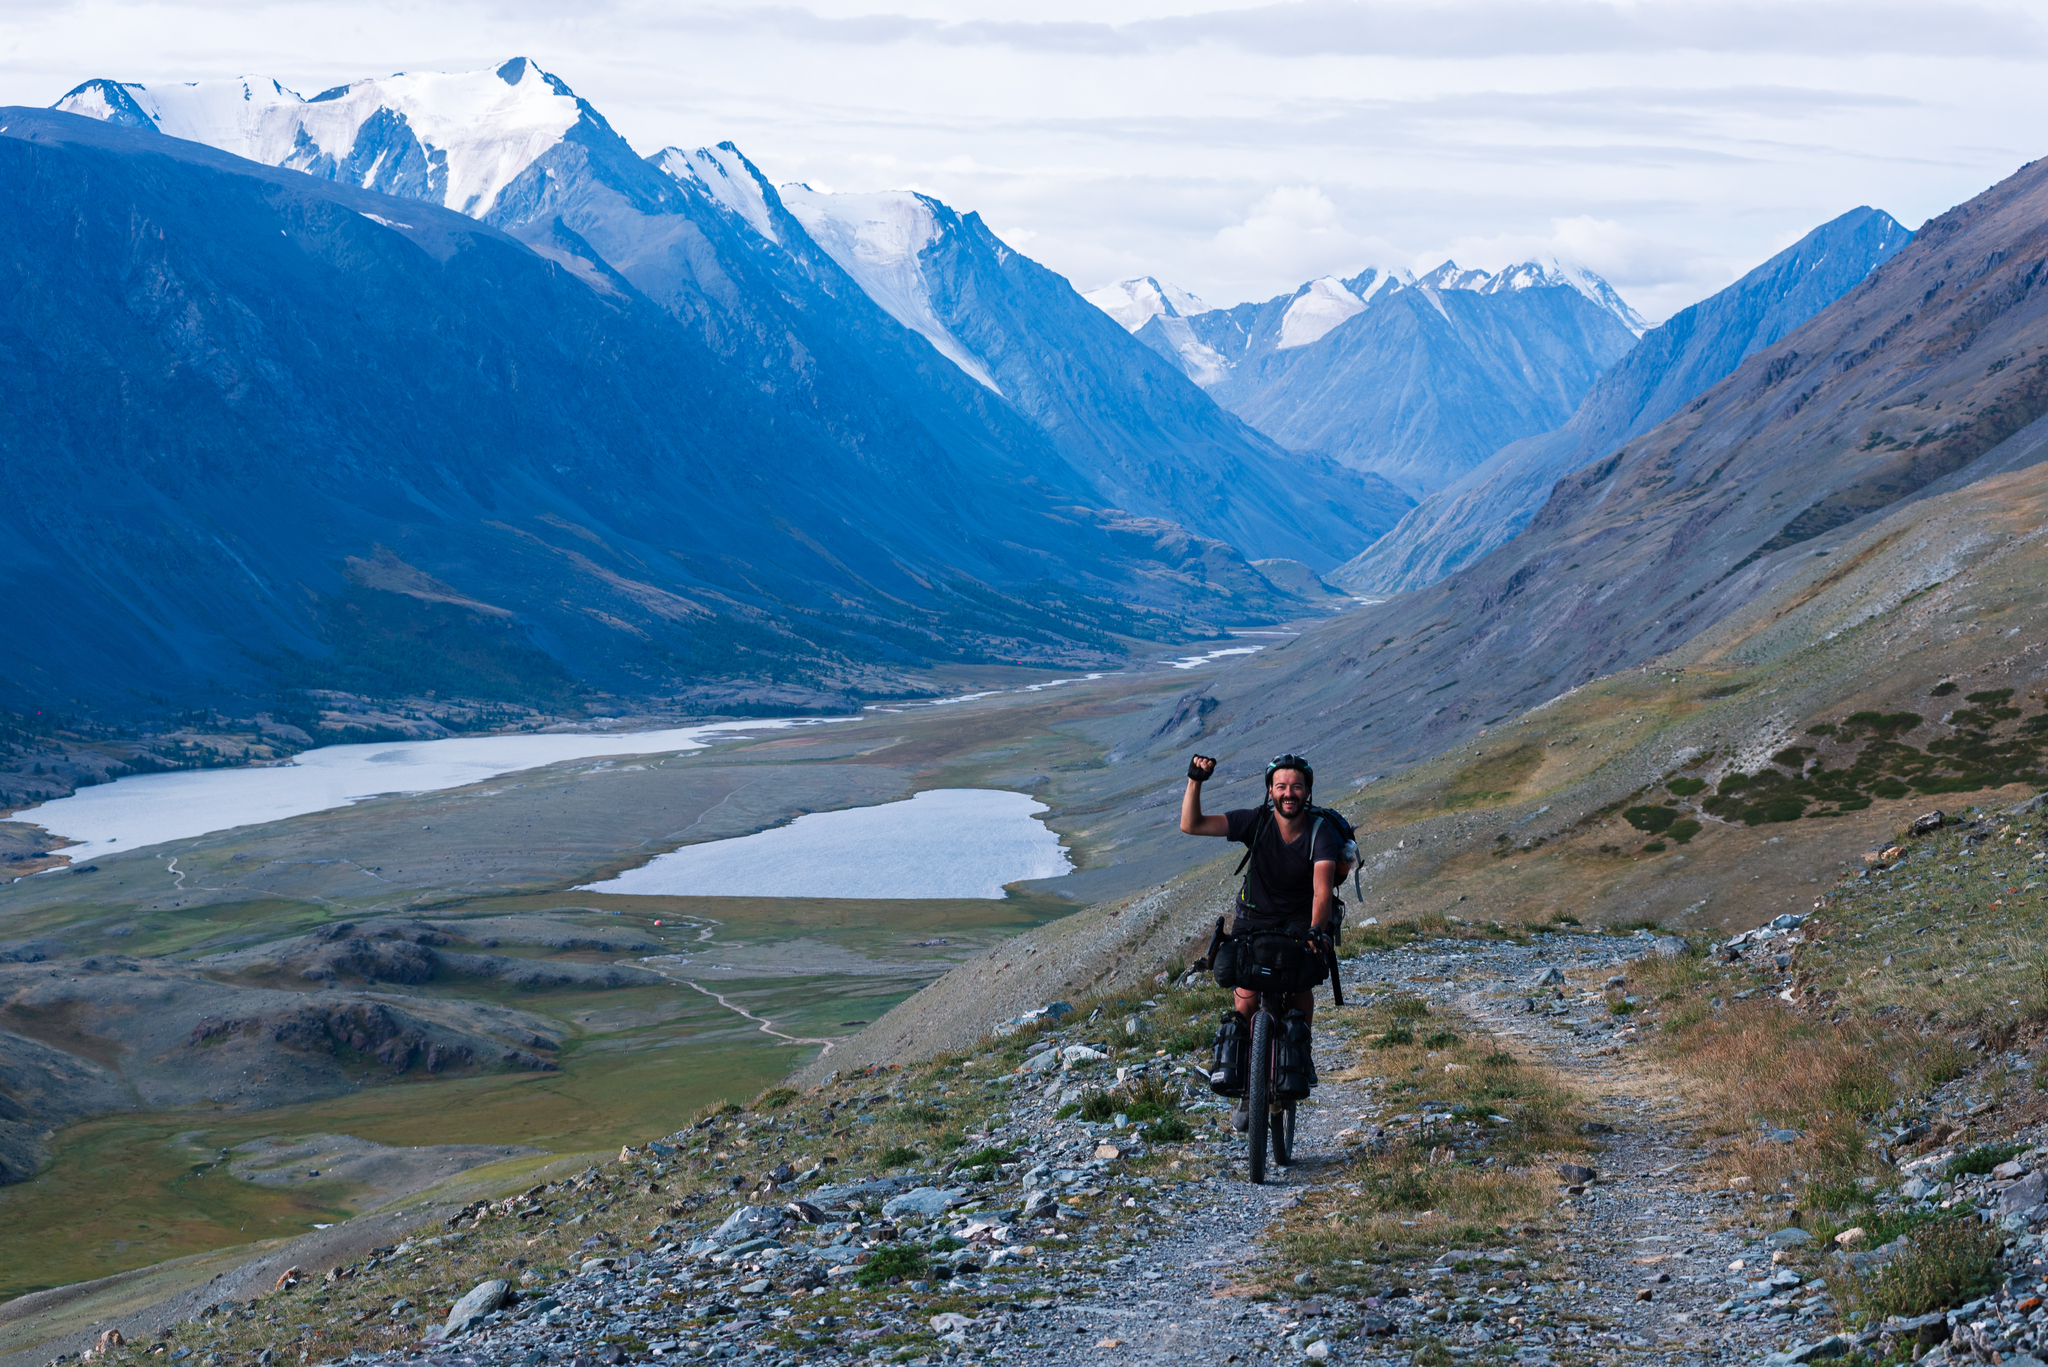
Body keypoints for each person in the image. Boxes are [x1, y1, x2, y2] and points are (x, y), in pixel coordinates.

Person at [1180, 752, 1345, 1121]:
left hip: (1301, 922)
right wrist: (1196, 780)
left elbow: (1322, 890)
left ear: (1308, 791)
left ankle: (1301, 1052)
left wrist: (1317, 931)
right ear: (1270, 791)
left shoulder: (1321, 833)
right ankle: (1246, 1091)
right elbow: (1191, 824)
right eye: (1281, 786)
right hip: (1252, 920)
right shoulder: (1254, 822)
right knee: (1245, 1002)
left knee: (1301, 982)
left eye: (1296, 787)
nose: (1289, 793)